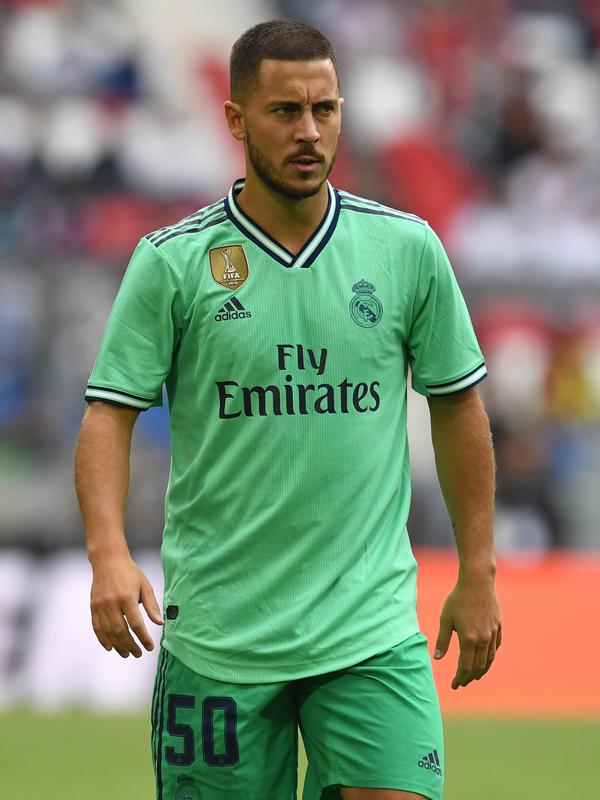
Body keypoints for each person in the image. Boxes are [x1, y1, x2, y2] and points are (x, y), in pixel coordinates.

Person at [75, 19, 501, 800]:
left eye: (325, 109)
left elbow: (458, 403)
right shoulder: (173, 263)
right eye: (285, 112)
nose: (310, 132)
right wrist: (107, 552)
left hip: (368, 631)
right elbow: (108, 415)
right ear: (236, 120)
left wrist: (478, 570)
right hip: (220, 637)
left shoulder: (406, 251)